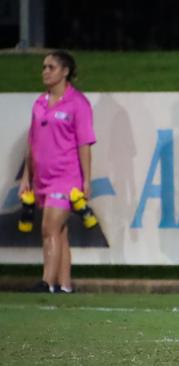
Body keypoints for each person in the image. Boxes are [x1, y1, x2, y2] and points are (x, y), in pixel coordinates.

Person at [19, 50, 96, 294]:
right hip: (43, 177)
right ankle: (64, 285)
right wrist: (26, 177)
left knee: (49, 228)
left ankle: (46, 282)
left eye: (51, 67)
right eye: (44, 67)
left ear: (65, 72)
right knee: (60, 233)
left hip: (67, 178)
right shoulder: (39, 103)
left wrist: (86, 180)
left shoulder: (78, 104)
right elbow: (32, 142)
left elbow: (84, 144)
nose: (45, 72)